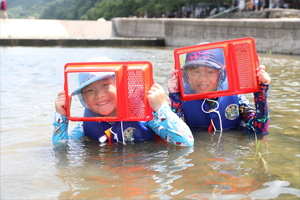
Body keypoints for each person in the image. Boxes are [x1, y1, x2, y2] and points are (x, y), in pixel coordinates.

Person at [53, 57, 194, 146]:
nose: (99, 95)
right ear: (83, 98)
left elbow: (185, 143)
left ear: (121, 86)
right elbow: (61, 148)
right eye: (90, 91)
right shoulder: (86, 124)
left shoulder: (144, 116)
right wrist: (61, 116)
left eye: (105, 85)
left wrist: (161, 108)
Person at [167, 48, 271, 134]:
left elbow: (259, 129)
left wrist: (261, 93)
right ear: (185, 75)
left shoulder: (235, 96)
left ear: (222, 74)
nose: (203, 78)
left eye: (210, 71)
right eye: (196, 71)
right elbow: (176, 135)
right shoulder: (180, 98)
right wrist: (174, 98)